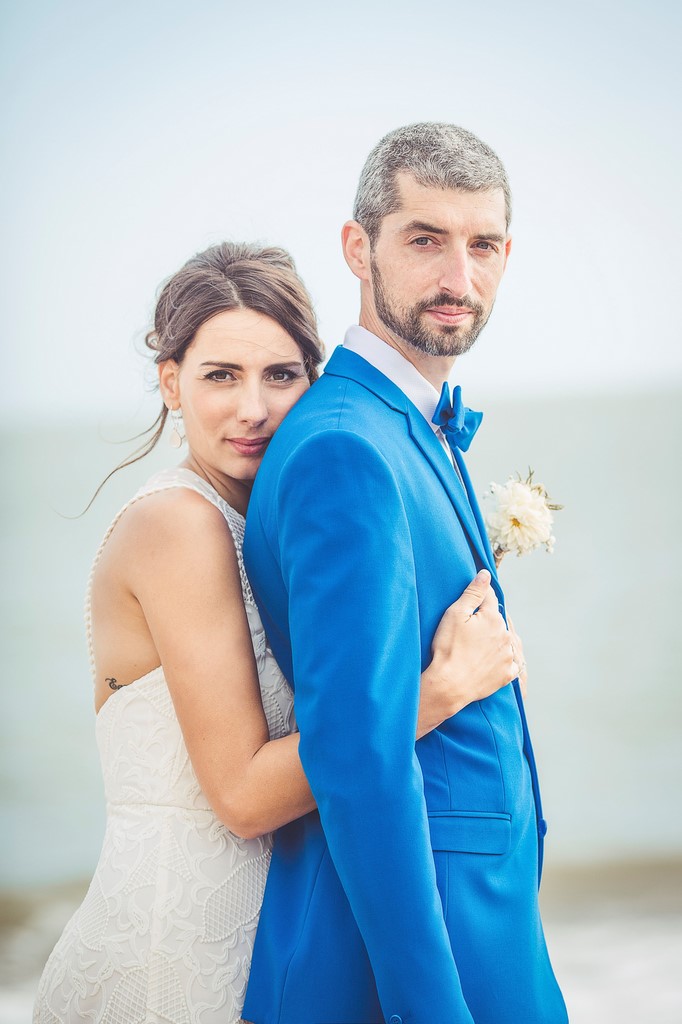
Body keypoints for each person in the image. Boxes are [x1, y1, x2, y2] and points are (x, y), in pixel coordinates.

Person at [33, 241, 519, 1024]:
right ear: (171, 382)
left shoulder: (275, 516)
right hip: (183, 950)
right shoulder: (177, 526)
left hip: (279, 941)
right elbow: (244, 796)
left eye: (281, 375)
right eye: (220, 376)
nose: (253, 408)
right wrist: (438, 691)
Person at [242, 124, 568, 1024]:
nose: (457, 278)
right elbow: (355, 758)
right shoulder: (348, 447)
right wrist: (433, 1008)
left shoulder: (407, 423)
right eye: (425, 240)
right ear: (359, 248)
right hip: (426, 965)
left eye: (483, 245)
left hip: (489, 925)